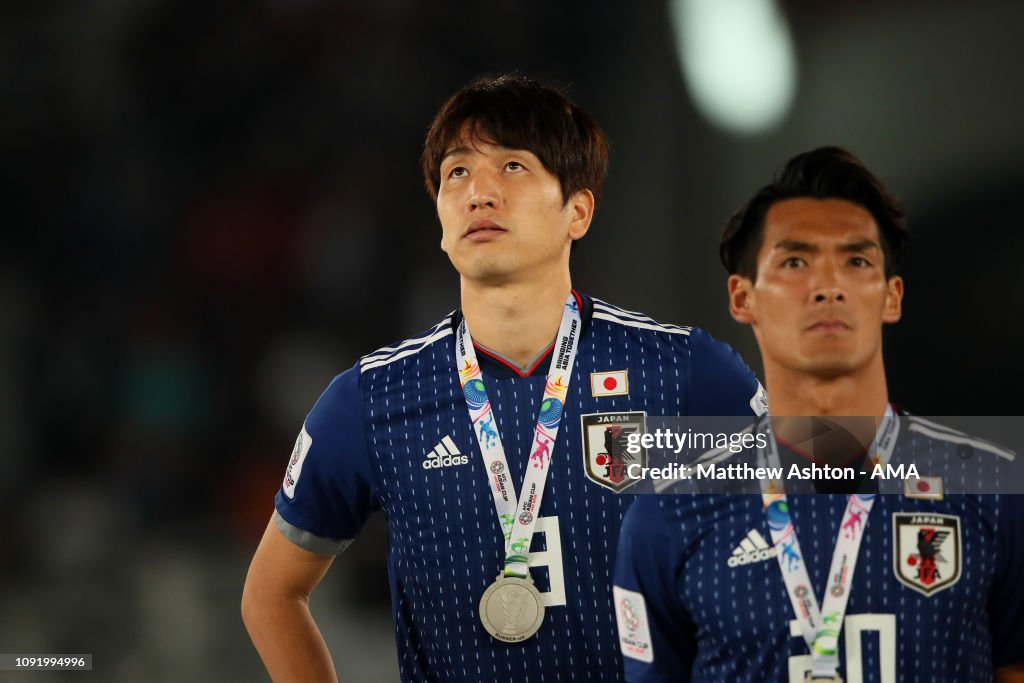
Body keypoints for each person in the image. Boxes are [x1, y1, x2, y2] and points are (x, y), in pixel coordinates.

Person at [241, 73, 765, 682]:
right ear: (439, 217)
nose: (478, 193)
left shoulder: (679, 372)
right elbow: (271, 595)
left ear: (578, 210)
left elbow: (834, 483)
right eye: (457, 173)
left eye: (513, 167)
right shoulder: (373, 400)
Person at [613, 147, 1024, 682]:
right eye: (795, 261)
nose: (828, 286)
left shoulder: (996, 487)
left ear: (892, 296)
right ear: (743, 297)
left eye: (857, 261)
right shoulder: (671, 509)